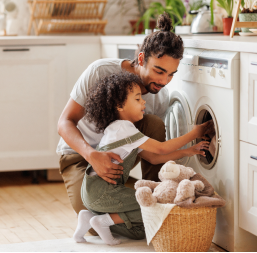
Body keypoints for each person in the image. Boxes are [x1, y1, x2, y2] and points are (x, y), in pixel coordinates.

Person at [57, 13, 186, 222]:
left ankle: (156, 196)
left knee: (153, 123)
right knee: (91, 219)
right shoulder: (100, 71)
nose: (164, 81)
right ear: (142, 58)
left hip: (119, 157)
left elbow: (150, 151)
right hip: (79, 155)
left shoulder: (159, 96)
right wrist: (92, 155)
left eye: (171, 74)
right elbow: (64, 122)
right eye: (159, 71)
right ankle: (144, 210)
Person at [72, 72, 211, 245]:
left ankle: (89, 217)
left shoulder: (117, 129)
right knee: (152, 206)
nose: (143, 102)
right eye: (137, 99)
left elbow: (153, 158)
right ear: (119, 106)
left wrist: (189, 151)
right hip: (103, 192)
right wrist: (194, 133)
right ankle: (102, 221)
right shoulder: (125, 129)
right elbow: (161, 148)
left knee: (138, 232)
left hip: (91, 191)